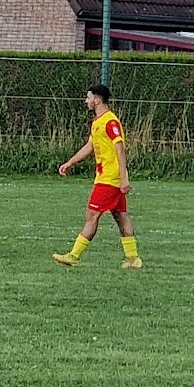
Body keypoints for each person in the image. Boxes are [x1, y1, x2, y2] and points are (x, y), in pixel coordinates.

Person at [53, 84, 141, 269]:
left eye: (88, 97)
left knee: (92, 215)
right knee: (120, 216)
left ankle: (74, 256)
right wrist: (70, 162)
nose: (86, 101)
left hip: (109, 179)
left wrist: (124, 177)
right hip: (106, 177)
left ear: (97, 100)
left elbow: (120, 149)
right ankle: (133, 258)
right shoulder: (97, 121)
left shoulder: (110, 122)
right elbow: (90, 146)